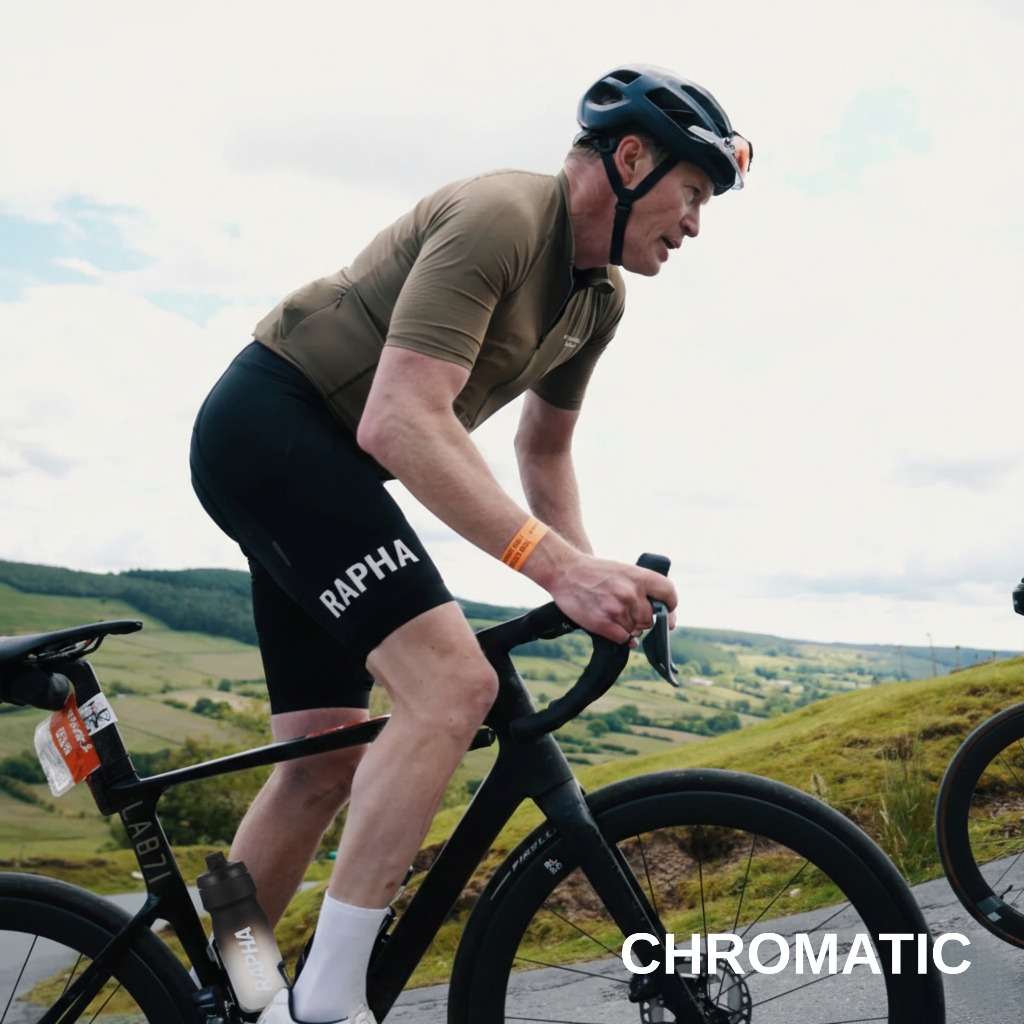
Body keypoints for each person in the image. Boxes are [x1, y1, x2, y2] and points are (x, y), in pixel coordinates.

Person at [189, 64, 751, 1024]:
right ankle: (328, 1002)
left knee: (319, 763)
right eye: (693, 193)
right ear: (630, 159)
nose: (696, 224)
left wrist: (589, 575)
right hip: (272, 429)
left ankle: (218, 991)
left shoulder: (598, 298)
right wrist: (561, 570)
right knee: (452, 685)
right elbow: (402, 419)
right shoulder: (504, 216)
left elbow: (544, 450)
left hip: (322, 470)